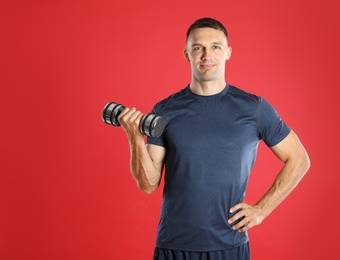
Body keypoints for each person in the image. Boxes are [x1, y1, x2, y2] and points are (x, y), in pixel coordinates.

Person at [118, 18, 310, 260]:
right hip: (173, 245)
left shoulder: (254, 108)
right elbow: (148, 184)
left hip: (229, 246)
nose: (207, 55)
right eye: (198, 47)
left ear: (228, 53)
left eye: (216, 46)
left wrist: (262, 208)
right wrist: (135, 136)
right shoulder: (164, 110)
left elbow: (299, 159)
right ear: (186, 54)